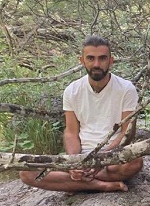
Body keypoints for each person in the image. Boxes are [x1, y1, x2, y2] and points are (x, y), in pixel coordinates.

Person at [19, 35, 143, 193]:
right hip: (80, 156)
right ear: (82, 61)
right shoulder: (72, 90)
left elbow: (127, 132)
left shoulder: (126, 89)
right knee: (27, 173)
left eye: (102, 58)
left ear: (111, 61)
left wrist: (101, 160)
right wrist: (74, 162)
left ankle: (76, 184)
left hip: (111, 159)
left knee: (135, 162)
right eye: (90, 58)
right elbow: (71, 133)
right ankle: (101, 185)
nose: (96, 64)